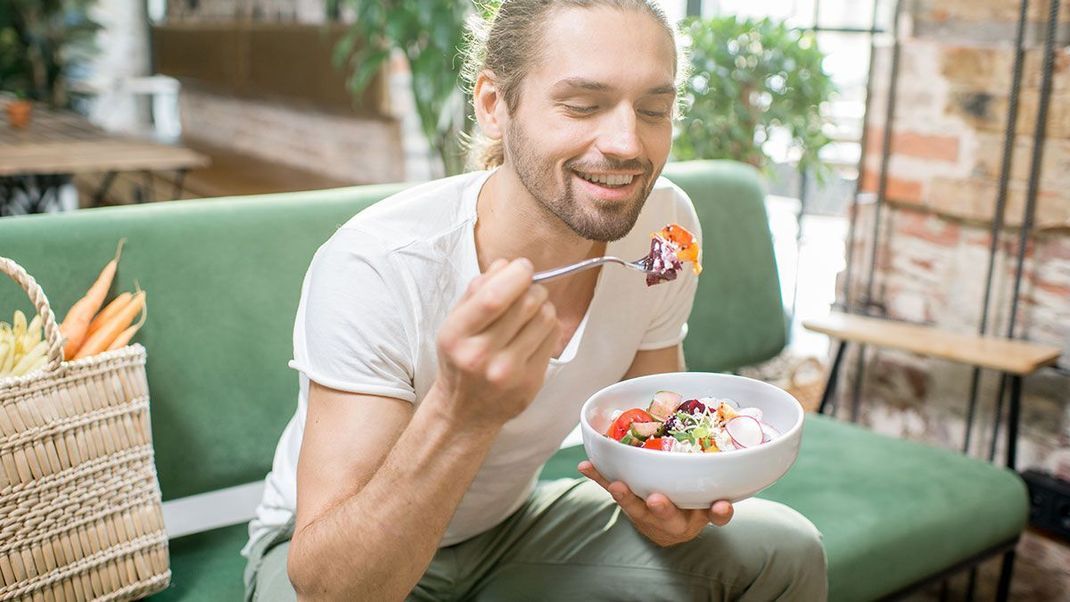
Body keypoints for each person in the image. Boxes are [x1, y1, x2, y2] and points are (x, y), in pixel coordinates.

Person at [243, 1, 827, 600]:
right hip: (330, 553)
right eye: (582, 105)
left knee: (784, 549)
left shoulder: (663, 229)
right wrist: (460, 413)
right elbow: (331, 587)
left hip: (507, 530)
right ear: (495, 105)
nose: (629, 143)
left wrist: (671, 500)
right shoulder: (378, 265)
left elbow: (653, 419)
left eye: (654, 108)